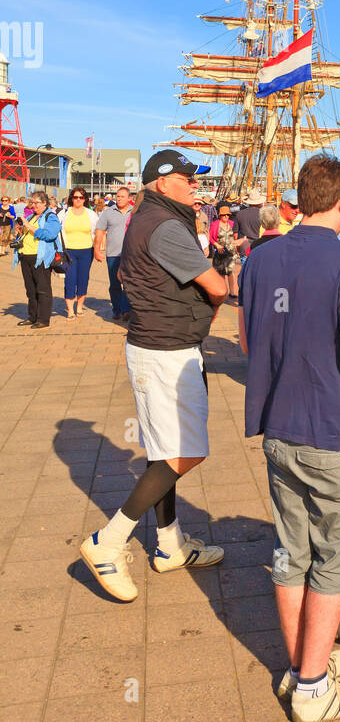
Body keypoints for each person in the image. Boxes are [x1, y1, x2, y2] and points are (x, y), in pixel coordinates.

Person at [239, 153, 340, 722]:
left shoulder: (259, 259)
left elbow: (249, 341)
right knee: (333, 560)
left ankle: (304, 662)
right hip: (334, 430)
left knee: (289, 550)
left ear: (299, 200)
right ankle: (313, 688)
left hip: (278, 427)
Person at [78, 150, 227, 602]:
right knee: (187, 451)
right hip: (166, 352)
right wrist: (220, 287)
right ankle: (108, 542)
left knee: (165, 451)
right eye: (188, 178)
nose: (195, 185)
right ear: (162, 182)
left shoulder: (148, 218)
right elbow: (218, 287)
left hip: (159, 345)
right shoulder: (165, 225)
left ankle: (169, 545)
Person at [13, 191, 61, 328]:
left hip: (40, 258)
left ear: (44, 203)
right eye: (32, 203)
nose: (33, 205)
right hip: (25, 256)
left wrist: (28, 225)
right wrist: (21, 231)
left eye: (36, 203)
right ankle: (32, 317)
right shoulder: (33, 216)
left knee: (42, 289)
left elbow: (49, 235)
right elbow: (29, 233)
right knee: (30, 289)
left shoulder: (51, 217)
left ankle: (43, 319)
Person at [94, 184, 134, 321]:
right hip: (113, 254)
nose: (119, 199)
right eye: (118, 196)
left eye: (122, 197)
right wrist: (97, 250)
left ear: (129, 198)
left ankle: (126, 309)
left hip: (131, 255)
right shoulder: (108, 212)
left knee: (129, 283)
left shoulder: (135, 212)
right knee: (115, 284)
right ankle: (117, 310)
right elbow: (99, 231)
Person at [61, 187, 98, 318]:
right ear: (71, 198)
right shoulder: (64, 213)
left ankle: (80, 307)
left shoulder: (91, 214)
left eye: (81, 197)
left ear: (85, 199)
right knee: (70, 280)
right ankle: (70, 310)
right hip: (69, 252)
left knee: (83, 279)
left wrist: (98, 248)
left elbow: (97, 232)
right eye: (75, 197)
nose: (78, 200)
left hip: (87, 251)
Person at [210, 204, 240, 299]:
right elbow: (210, 238)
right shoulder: (215, 224)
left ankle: (232, 292)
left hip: (231, 253)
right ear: (220, 216)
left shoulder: (231, 223)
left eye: (227, 215)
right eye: (224, 215)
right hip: (220, 253)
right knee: (221, 273)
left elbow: (235, 235)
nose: (226, 216)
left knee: (231, 272)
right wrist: (216, 245)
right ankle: (223, 291)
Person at [235, 187, 266, 253]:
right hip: (259, 246)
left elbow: (235, 234)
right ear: (259, 202)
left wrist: (238, 248)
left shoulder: (240, 214)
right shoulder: (263, 215)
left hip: (244, 247)